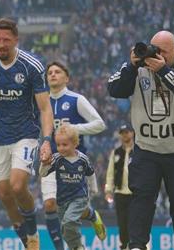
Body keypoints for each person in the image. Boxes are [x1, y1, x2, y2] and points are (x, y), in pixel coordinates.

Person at [107, 30, 174, 250]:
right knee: (142, 198)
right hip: (148, 149)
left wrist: (164, 71)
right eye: (154, 50)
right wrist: (131, 66)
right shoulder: (138, 65)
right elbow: (114, 88)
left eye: (164, 52)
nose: (157, 55)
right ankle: (137, 246)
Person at [0, 17, 54, 250]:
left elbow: (45, 108)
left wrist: (46, 141)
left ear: (16, 40)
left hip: (26, 133)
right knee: (4, 193)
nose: (1, 44)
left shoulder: (31, 66)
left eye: (6, 39)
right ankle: (23, 235)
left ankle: (33, 233)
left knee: (17, 185)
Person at [42, 61, 106, 250]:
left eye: (57, 72)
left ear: (66, 77)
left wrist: (74, 129)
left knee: (69, 211)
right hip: (52, 160)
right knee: (50, 204)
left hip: (74, 163)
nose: (53, 74)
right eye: (50, 72)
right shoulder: (43, 102)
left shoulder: (76, 99)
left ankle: (90, 215)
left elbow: (99, 124)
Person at [39, 124, 107, 250]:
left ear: (75, 143)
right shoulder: (57, 159)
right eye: (58, 145)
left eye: (65, 145)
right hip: (62, 200)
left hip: (79, 198)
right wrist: (44, 164)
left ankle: (77, 247)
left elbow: (91, 174)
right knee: (65, 229)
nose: (61, 148)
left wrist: (93, 189)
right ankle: (92, 215)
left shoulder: (83, 159)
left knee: (69, 222)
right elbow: (43, 173)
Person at [105, 124, 136, 250]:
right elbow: (110, 174)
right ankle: (124, 246)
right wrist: (108, 191)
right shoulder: (116, 152)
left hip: (135, 193)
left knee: (135, 223)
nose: (124, 135)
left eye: (127, 132)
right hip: (120, 193)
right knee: (122, 224)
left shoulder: (139, 151)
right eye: (122, 133)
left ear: (133, 133)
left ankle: (136, 246)